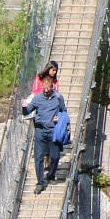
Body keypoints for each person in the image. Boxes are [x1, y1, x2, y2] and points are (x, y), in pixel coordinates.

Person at [21, 62, 68, 192]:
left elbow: (64, 111)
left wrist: (60, 117)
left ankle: (51, 174)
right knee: (38, 158)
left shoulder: (58, 98)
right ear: (42, 86)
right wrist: (24, 106)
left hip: (53, 130)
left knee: (56, 156)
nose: (46, 90)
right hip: (40, 131)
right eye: (45, 87)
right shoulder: (37, 99)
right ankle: (40, 183)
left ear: (53, 86)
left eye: (49, 87)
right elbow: (26, 112)